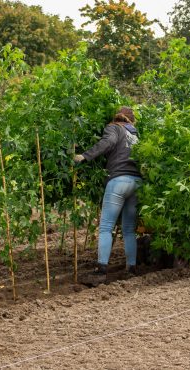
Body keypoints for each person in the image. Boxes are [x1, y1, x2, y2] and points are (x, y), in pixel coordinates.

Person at [74, 106, 142, 287]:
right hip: (136, 183)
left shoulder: (114, 128)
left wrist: (84, 156)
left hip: (118, 181)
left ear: (117, 118)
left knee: (105, 227)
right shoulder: (136, 136)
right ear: (131, 120)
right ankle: (132, 269)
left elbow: (108, 142)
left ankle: (101, 271)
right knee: (128, 229)